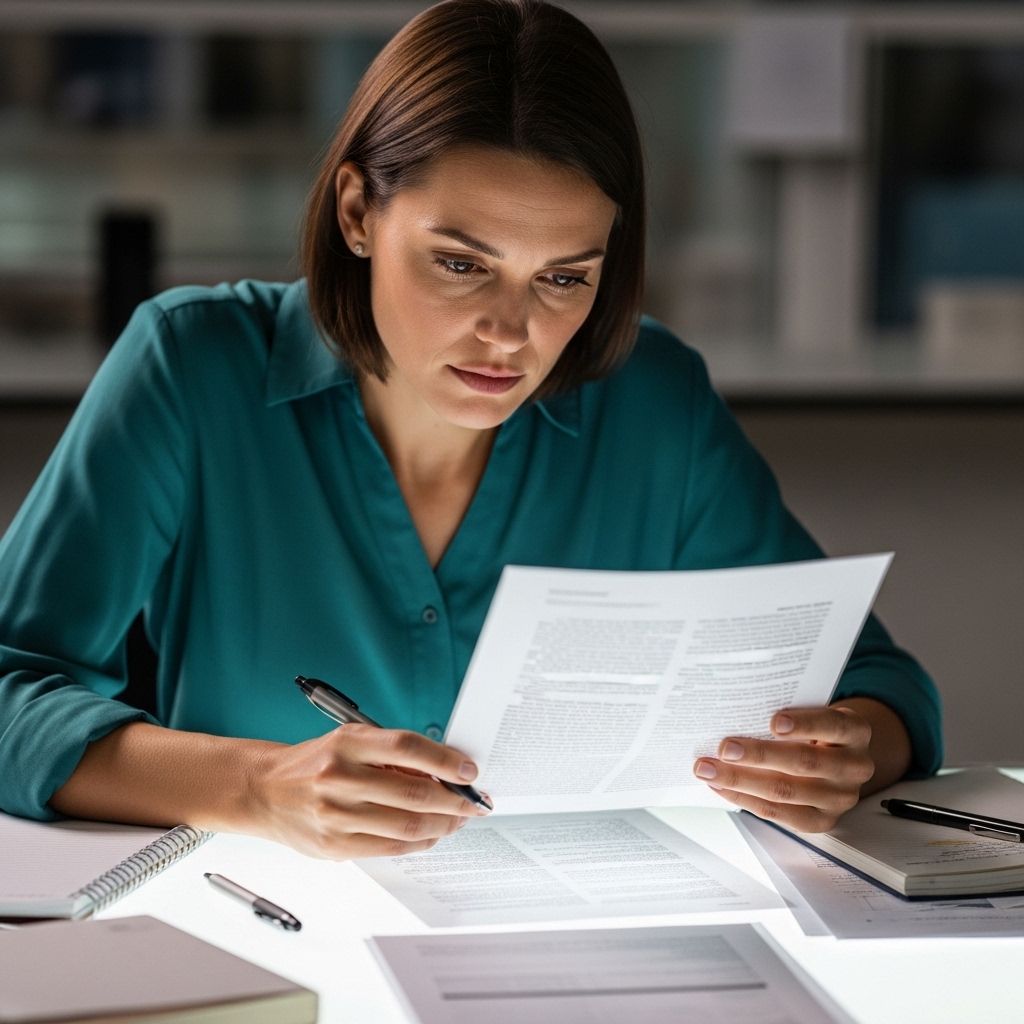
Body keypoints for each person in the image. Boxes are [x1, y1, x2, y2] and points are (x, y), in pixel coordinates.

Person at [0, 0, 941, 860]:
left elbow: (876, 681)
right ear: (358, 212)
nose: (510, 332)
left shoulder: (653, 399)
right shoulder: (190, 367)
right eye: (460, 264)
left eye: (564, 278)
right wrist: (256, 785)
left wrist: (852, 746)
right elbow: (10, 688)